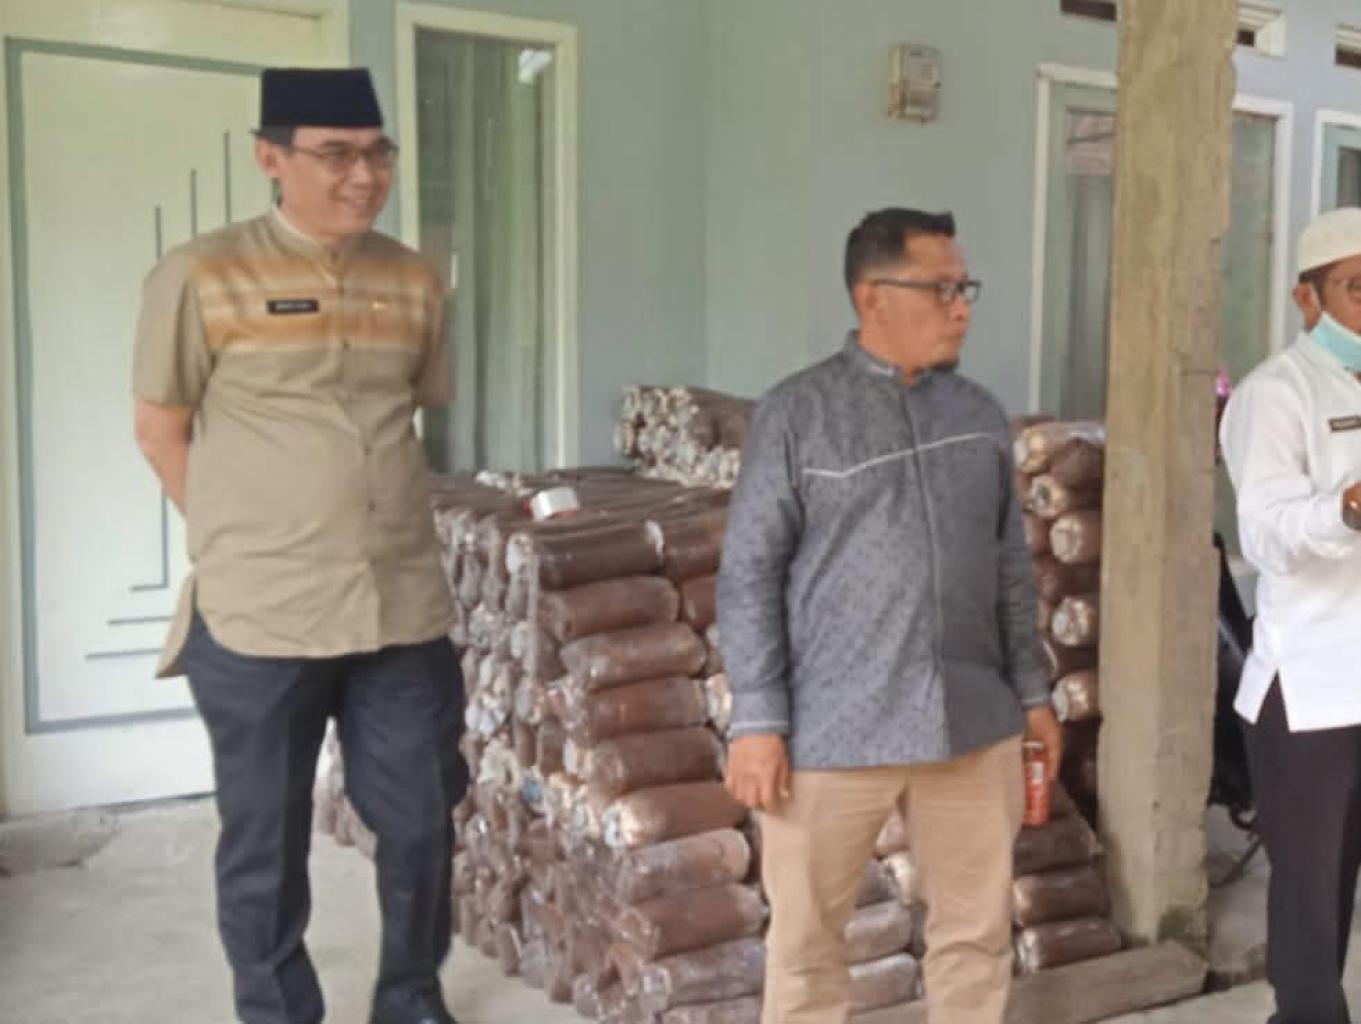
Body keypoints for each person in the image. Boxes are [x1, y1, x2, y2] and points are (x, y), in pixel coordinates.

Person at [132, 67, 466, 1024]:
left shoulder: (413, 278)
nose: (364, 176)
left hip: (398, 607)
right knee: (265, 840)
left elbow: (408, 413)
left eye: (377, 154)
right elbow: (160, 429)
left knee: (419, 819)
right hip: (261, 615)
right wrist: (242, 540)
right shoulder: (200, 274)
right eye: (335, 155)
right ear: (270, 158)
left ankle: (410, 996)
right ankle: (277, 1009)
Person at [718, 207, 1062, 1024]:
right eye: (940, 289)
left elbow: (1008, 568)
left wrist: (1032, 694)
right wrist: (758, 721)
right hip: (832, 729)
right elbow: (749, 572)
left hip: (970, 723)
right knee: (806, 949)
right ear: (871, 296)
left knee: (975, 938)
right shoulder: (797, 414)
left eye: (964, 288)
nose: (961, 308)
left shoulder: (976, 415)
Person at [1220, 206, 1361, 1024]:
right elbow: (1265, 533)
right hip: (1310, 692)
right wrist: (1346, 509)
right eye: (1356, 288)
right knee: (1311, 902)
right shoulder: (1275, 395)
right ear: (1307, 299)